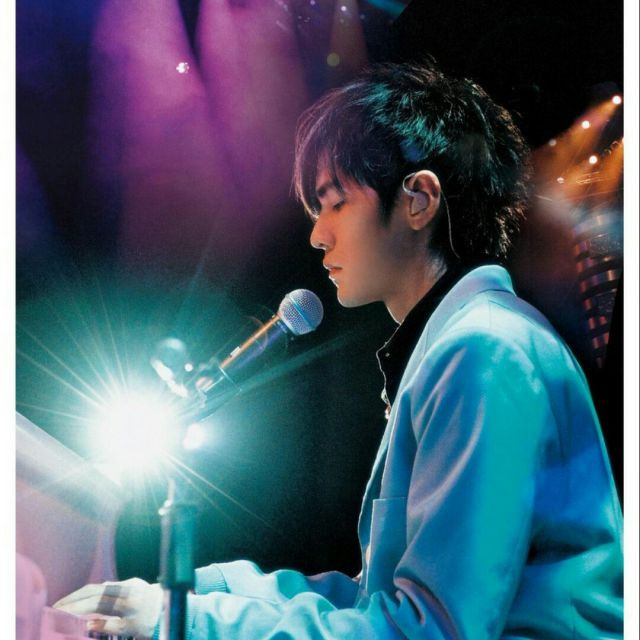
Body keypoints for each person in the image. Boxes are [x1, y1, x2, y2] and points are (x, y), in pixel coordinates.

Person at [54, 61, 623, 639]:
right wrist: (200, 590)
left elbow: (432, 630)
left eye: (335, 203)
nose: (317, 235)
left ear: (419, 200)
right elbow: (376, 598)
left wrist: (189, 619)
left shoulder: (484, 351)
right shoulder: (464, 343)